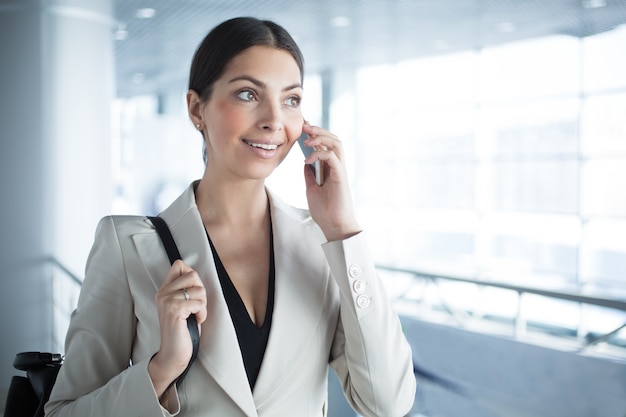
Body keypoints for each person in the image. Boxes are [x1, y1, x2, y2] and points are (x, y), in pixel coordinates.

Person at [45, 16, 416, 417]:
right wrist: (160, 370)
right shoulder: (128, 247)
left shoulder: (322, 245)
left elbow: (387, 403)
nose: (274, 119)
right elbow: (64, 412)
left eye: (291, 99)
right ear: (196, 108)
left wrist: (343, 229)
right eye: (247, 94)